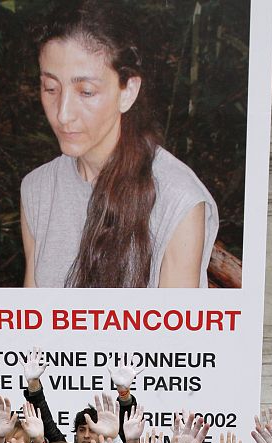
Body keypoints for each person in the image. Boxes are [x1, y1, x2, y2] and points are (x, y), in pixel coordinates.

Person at [21, 0, 218, 288]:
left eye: (86, 92)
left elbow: (177, 318)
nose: (63, 114)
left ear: (128, 92)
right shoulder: (37, 189)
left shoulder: (178, 199)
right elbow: (33, 311)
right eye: (50, 88)